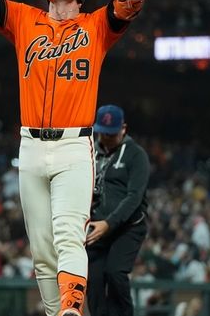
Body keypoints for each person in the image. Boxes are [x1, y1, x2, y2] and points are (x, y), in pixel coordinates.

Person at [0, 0, 145, 316]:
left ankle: (69, 309)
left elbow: (132, 0)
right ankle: (59, 313)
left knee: (68, 236)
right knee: (43, 250)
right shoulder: (25, 20)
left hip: (72, 144)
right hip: (30, 145)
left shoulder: (96, 25)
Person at [86, 105, 150, 316]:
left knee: (115, 273)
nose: (106, 137)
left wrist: (109, 223)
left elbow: (134, 197)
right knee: (93, 279)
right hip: (97, 226)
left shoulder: (136, 155)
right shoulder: (90, 150)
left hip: (128, 227)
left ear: (123, 128)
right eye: (103, 132)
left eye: (111, 133)